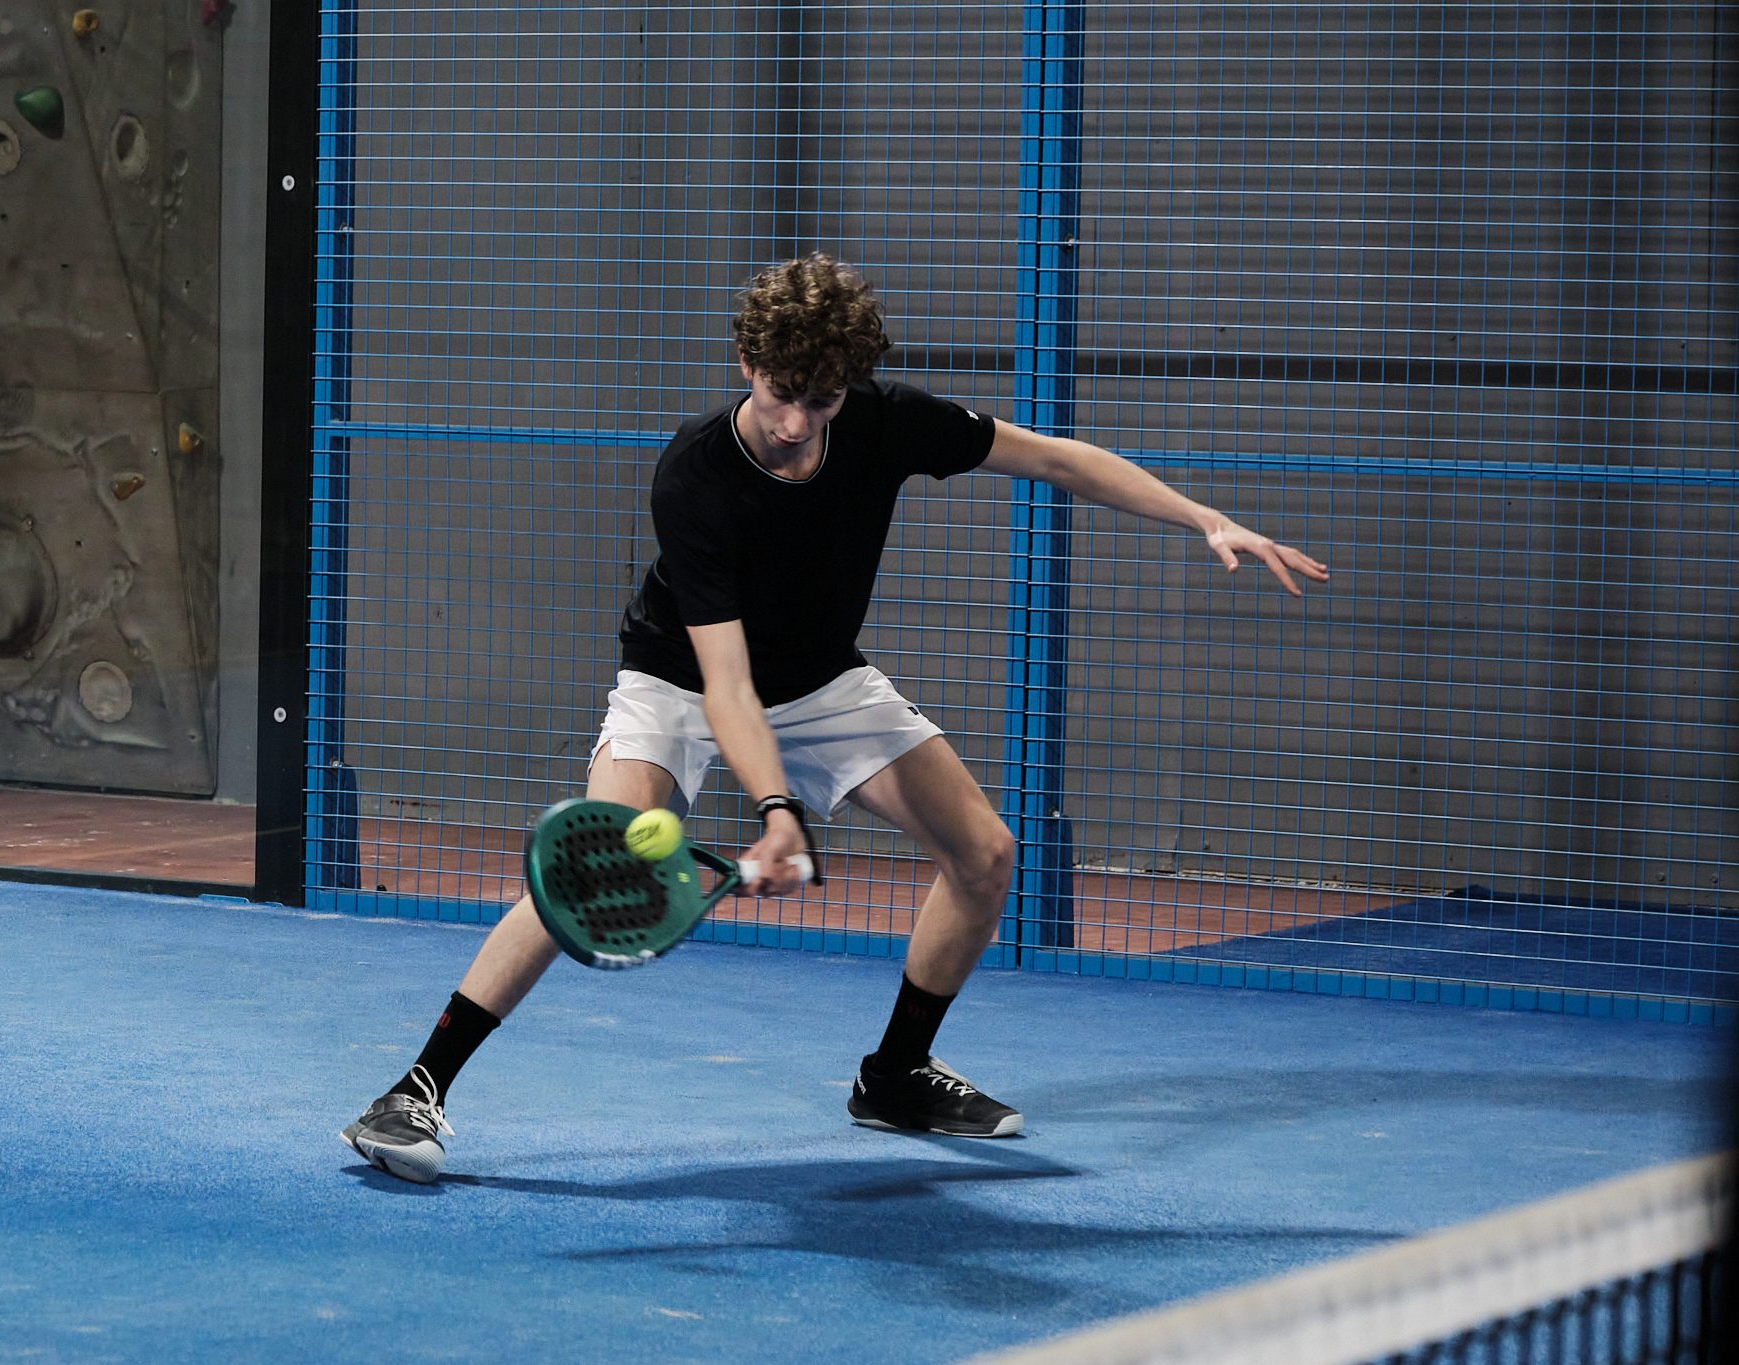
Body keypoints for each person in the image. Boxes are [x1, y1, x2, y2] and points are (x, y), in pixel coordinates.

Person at [343, 254, 1330, 1184]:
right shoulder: (695, 473)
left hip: (820, 681)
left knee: (985, 853)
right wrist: (776, 812)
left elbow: (1054, 460)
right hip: (681, 681)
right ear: (747, 363)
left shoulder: (883, 422)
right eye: (781, 394)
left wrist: (1204, 517)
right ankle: (412, 1091)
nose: (794, 422)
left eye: (818, 401)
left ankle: (895, 1076)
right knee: (596, 861)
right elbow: (726, 685)